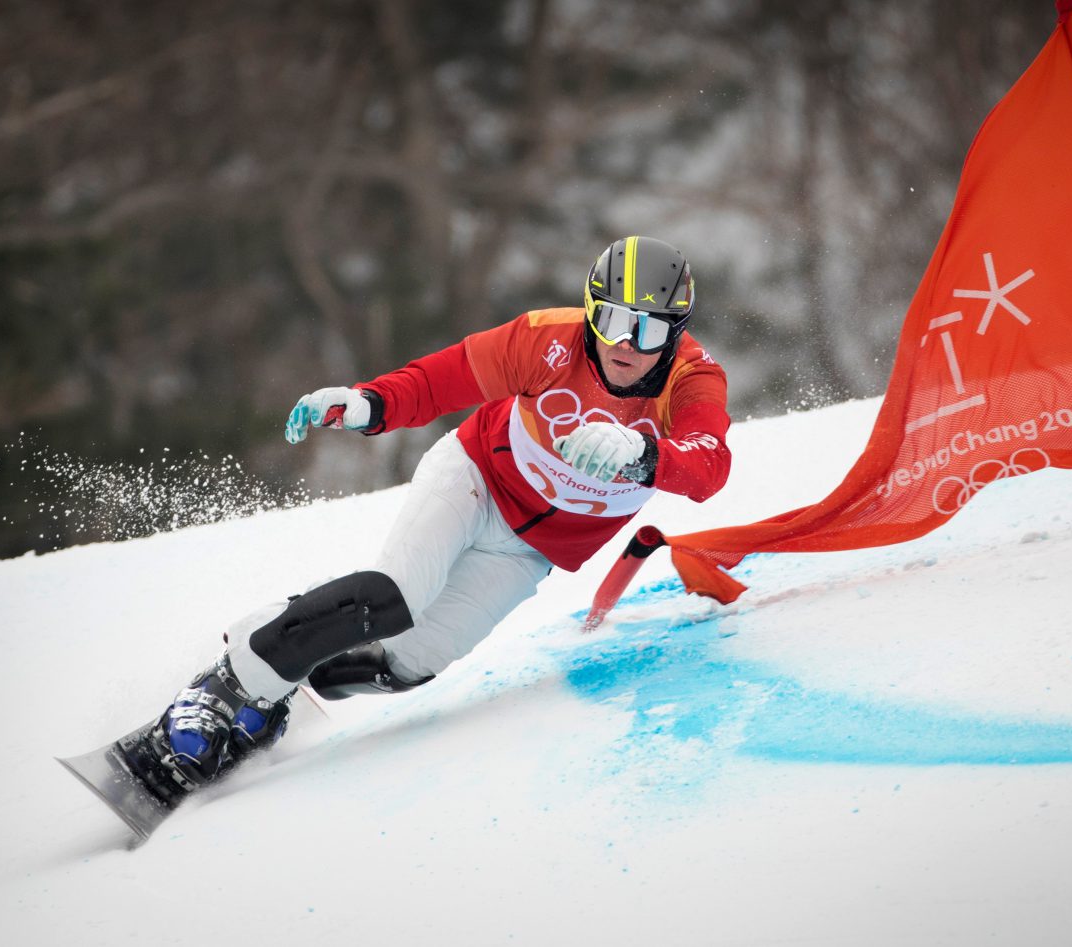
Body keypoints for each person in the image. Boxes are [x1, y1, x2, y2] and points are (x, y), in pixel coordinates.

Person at [121, 236, 732, 804]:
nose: (627, 344)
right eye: (613, 320)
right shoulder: (547, 340)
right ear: (591, 311)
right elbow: (445, 378)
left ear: (676, 333)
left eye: (649, 330)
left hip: (529, 551)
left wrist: (646, 453)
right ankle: (223, 689)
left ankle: (281, 681)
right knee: (395, 596)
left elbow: (710, 466)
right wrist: (370, 403)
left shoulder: (691, 379)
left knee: (406, 663)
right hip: (475, 480)